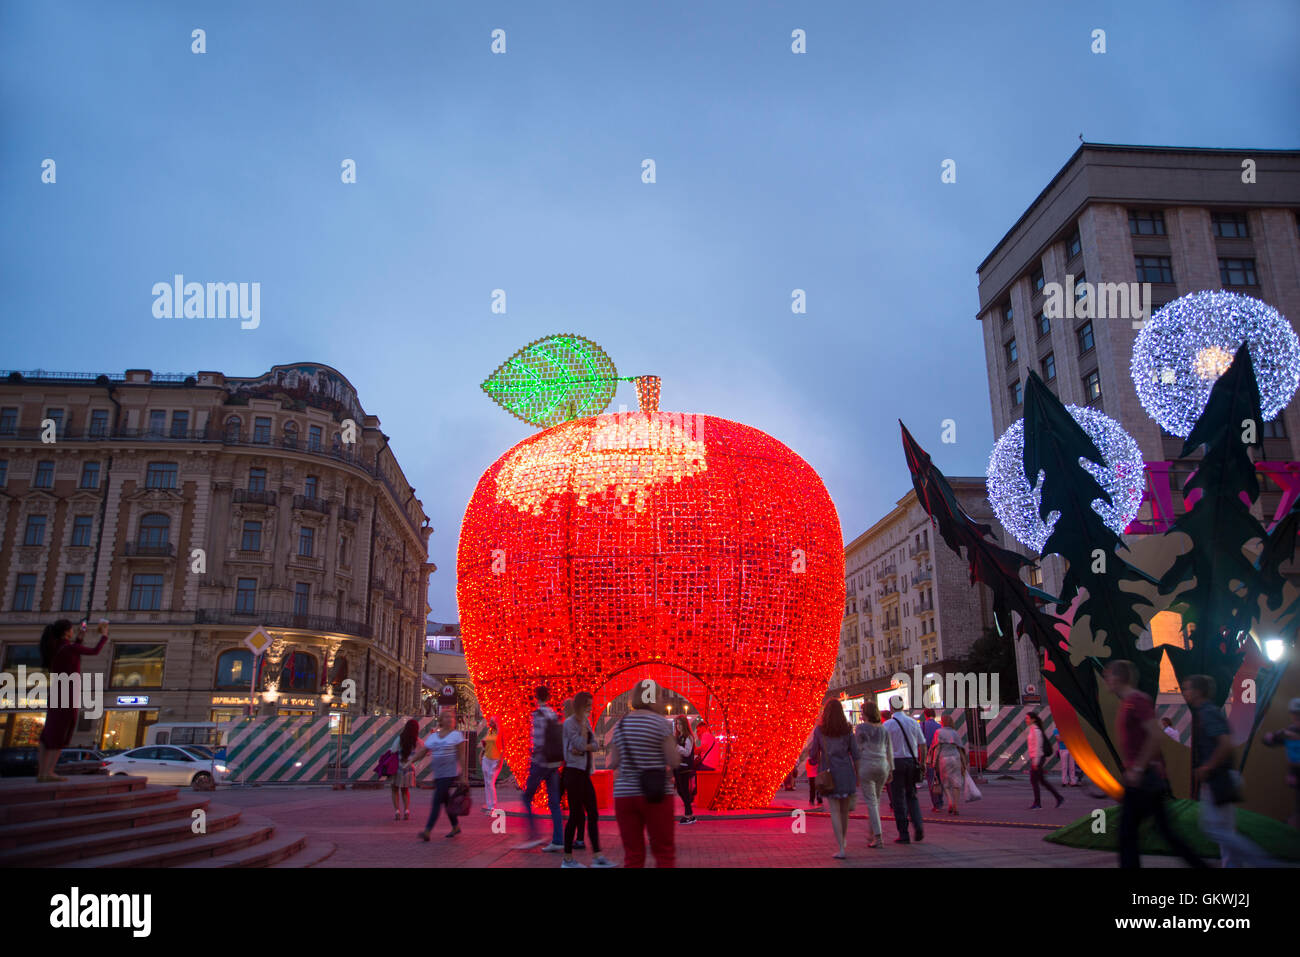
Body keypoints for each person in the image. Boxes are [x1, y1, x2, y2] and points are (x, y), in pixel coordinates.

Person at [1103, 659, 1206, 869]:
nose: (1107, 681)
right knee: (1165, 834)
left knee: (1128, 835)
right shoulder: (1128, 702)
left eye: (1109, 676)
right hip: (1146, 778)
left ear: (1119, 677)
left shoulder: (1136, 700)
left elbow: (1156, 734)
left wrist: (1139, 768)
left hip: (1143, 780)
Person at [1183, 675, 1275, 867]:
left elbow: (1225, 744)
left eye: (1188, 689)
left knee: (1213, 829)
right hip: (1223, 776)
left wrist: (1207, 767)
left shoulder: (1207, 713)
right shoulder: (1209, 711)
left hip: (1218, 778)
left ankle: (1263, 861)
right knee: (1225, 828)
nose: (1185, 693)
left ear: (1198, 691)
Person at [609, 679, 679, 867]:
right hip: (656, 794)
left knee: (633, 854)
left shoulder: (621, 725)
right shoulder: (660, 723)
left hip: (625, 795)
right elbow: (673, 760)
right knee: (664, 852)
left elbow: (613, 762)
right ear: (655, 698)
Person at [37, 619, 109, 782]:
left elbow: (72, 651)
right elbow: (95, 651)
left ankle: (42, 772)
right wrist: (104, 636)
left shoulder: (55, 647)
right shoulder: (69, 648)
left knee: (48, 732)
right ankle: (49, 772)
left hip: (56, 691)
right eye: (71, 630)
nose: (73, 631)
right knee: (62, 731)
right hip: (68, 693)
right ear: (66, 632)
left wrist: (80, 638)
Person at [561, 692, 614, 868]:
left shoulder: (586, 722)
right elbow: (579, 744)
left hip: (583, 773)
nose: (591, 708)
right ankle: (567, 859)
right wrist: (585, 745)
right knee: (575, 816)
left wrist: (586, 746)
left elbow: (595, 745)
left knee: (593, 813)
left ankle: (598, 855)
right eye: (588, 705)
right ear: (580, 705)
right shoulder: (569, 724)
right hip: (573, 773)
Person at [810, 699, 860, 859]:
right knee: (845, 811)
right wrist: (858, 775)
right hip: (847, 773)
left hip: (829, 775)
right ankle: (843, 841)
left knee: (835, 812)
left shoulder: (820, 730)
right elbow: (856, 754)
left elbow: (813, 754)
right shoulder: (847, 729)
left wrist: (813, 761)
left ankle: (841, 847)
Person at [520, 685, 565, 852]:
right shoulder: (553, 714)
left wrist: (532, 755)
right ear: (548, 696)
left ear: (536, 697)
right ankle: (558, 839)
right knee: (554, 802)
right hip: (553, 763)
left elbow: (537, 741)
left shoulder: (537, 715)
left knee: (526, 797)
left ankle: (534, 835)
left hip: (540, 762)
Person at [414, 709, 465, 841]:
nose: (449, 719)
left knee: (437, 800)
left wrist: (464, 776)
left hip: (450, 773)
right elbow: (423, 751)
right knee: (446, 801)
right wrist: (409, 761)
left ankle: (427, 830)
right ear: (441, 720)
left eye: (452, 717)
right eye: (446, 717)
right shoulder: (434, 737)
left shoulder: (456, 735)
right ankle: (455, 826)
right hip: (438, 774)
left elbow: (462, 755)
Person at [883, 695, 926, 844]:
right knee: (912, 795)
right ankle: (918, 825)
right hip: (911, 762)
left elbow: (884, 748)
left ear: (891, 707)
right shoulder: (913, 722)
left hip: (895, 763)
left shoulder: (887, 725)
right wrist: (922, 762)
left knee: (898, 799)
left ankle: (903, 833)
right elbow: (922, 743)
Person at [854, 701, 893, 848]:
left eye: (862, 712)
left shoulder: (861, 728)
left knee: (872, 803)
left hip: (867, 766)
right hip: (882, 766)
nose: (861, 715)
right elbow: (889, 750)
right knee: (875, 801)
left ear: (866, 713)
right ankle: (872, 833)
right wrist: (891, 769)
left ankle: (878, 836)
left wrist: (856, 771)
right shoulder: (883, 729)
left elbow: (857, 750)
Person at [1261, 697, 1300, 828]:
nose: (1296, 717)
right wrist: (1271, 737)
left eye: (1298, 714)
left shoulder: (1293, 733)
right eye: (1294, 714)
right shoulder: (1290, 731)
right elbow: (1268, 741)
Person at [929, 714, 968, 815]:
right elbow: (960, 747)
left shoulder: (938, 732)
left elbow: (937, 748)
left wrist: (933, 762)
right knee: (956, 783)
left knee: (945, 783)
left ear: (942, 722)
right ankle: (956, 805)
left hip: (944, 758)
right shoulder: (954, 733)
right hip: (955, 757)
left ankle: (950, 801)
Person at [1025, 713, 1064, 809]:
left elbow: (1038, 747)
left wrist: (1035, 762)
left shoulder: (1036, 731)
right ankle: (1058, 797)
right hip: (1035, 758)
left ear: (1033, 720)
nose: (1026, 720)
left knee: (1034, 780)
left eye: (1027, 718)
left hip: (1038, 758)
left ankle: (1037, 803)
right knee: (1041, 781)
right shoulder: (1032, 730)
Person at [391, 718, 419, 820]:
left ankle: (397, 811)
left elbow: (393, 750)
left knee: (394, 789)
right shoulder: (416, 740)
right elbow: (426, 751)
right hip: (409, 769)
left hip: (398, 768)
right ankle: (406, 810)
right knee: (405, 790)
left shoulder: (400, 738)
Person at [673, 715, 698, 824]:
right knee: (680, 790)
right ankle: (689, 814)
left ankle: (689, 814)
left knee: (684, 790)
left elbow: (687, 752)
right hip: (678, 766)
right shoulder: (679, 737)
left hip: (685, 767)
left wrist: (676, 747)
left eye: (680, 724)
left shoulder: (688, 737)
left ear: (684, 724)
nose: (678, 726)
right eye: (677, 724)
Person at [477, 715, 503, 814]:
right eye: (490, 721)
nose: (490, 723)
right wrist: (481, 754)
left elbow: (503, 748)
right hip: (486, 758)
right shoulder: (489, 731)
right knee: (487, 783)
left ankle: (493, 805)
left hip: (495, 760)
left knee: (490, 781)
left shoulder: (500, 732)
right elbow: (486, 745)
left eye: (492, 721)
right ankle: (489, 805)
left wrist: (500, 760)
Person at [921, 708, 943, 812]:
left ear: (925, 715)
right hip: (939, 756)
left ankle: (936, 804)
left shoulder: (922, 725)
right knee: (939, 778)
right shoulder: (939, 726)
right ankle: (941, 801)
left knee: (931, 779)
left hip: (928, 756)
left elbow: (920, 742)